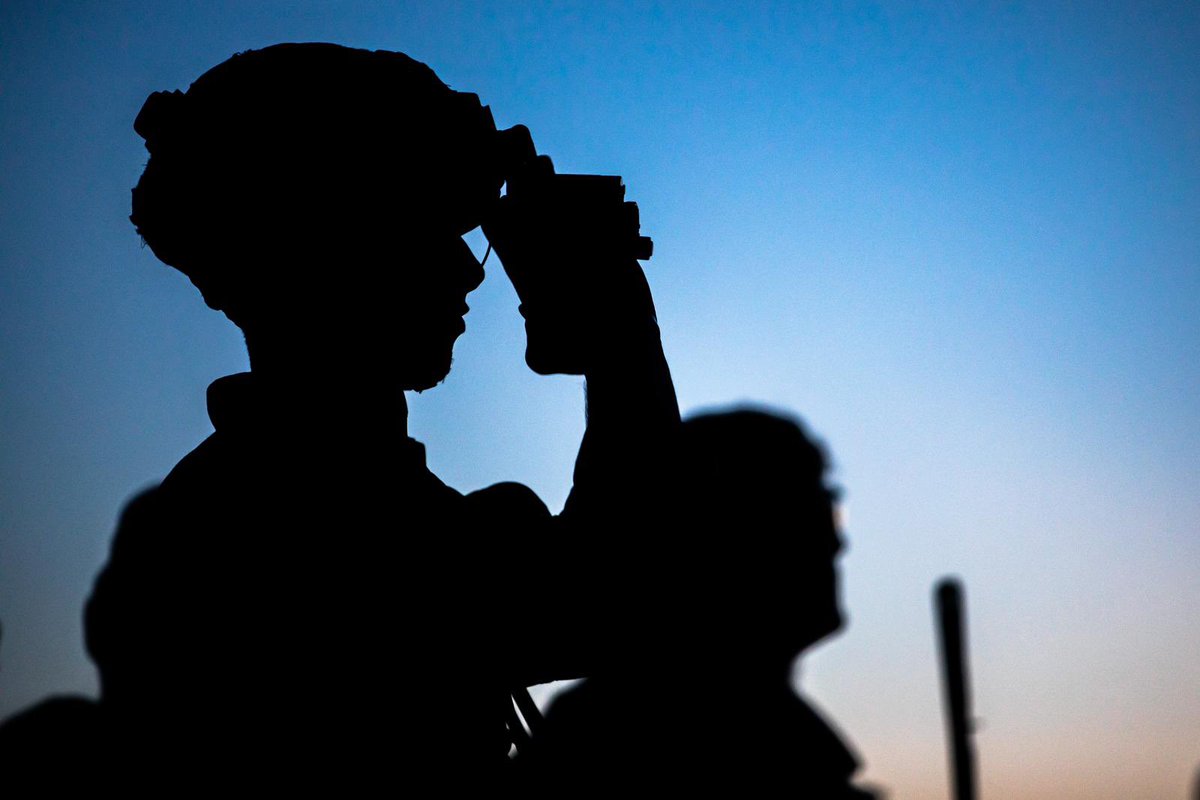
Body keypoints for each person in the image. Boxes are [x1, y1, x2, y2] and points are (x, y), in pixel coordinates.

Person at [4, 43, 680, 790]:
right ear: (335, 250)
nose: (469, 270)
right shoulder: (301, 517)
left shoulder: (265, 498)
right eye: (432, 231)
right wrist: (621, 330)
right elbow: (625, 595)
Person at [526, 409, 878, 798]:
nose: (837, 544)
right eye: (810, 513)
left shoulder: (599, 729)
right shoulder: (608, 739)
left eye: (830, 509)